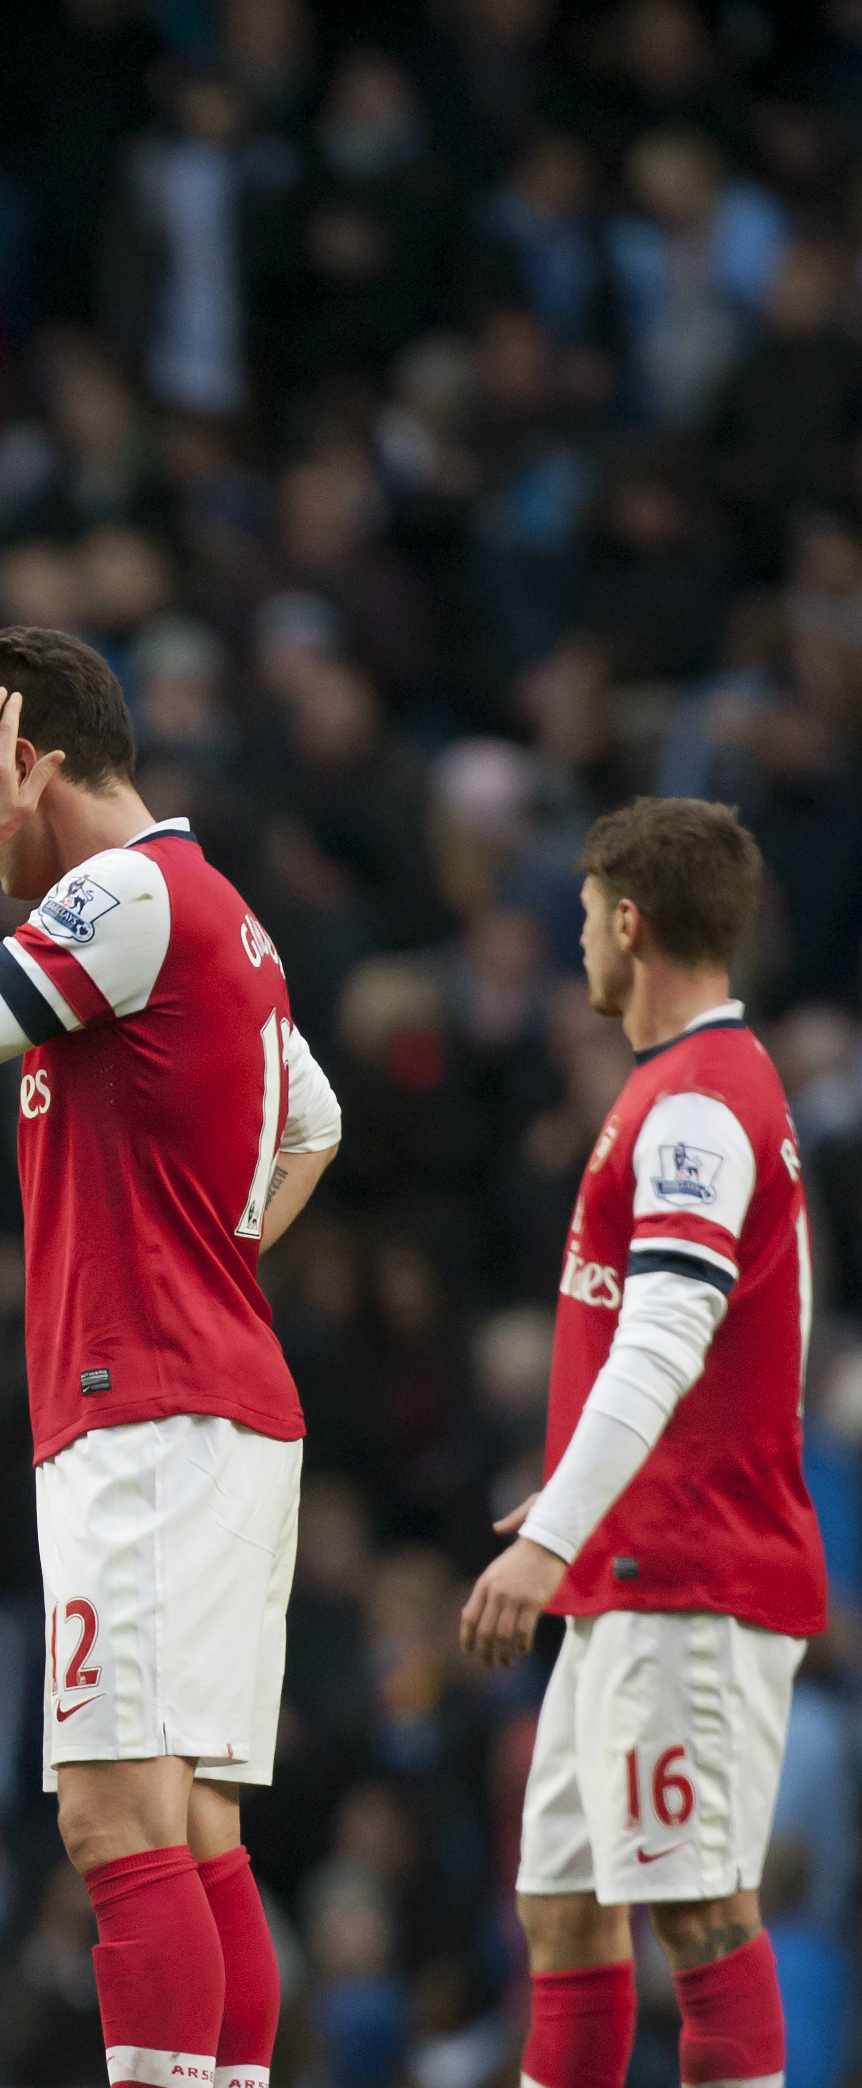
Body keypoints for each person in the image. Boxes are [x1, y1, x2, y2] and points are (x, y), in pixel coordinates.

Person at [0, 625, 344, 2088]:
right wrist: (209, 1256)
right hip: (216, 1404)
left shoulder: (122, 893)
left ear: (24, 762)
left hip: (147, 1417)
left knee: (113, 1821)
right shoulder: (223, 915)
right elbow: (312, 1124)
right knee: (195, 1833)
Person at [457, 800, 825, 2088]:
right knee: (561, 1911)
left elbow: (666, 1337)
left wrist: (548, 1531)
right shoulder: (676, 1089)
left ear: (627, 922)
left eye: (579, 917)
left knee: (703, 1912)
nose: (574, 942)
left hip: (690, 1576)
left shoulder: (699, 1106)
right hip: (627, 1572)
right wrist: (572, 1513)